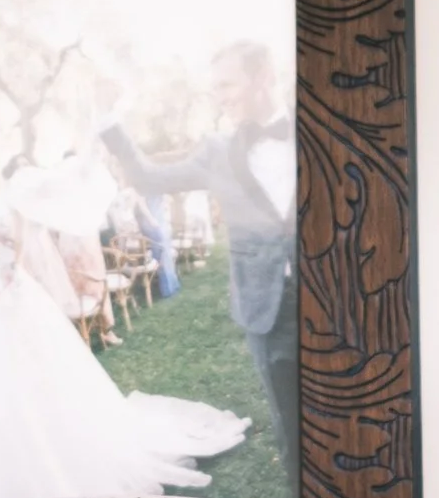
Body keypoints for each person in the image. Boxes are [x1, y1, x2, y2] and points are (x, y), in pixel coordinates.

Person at [0, 125, 246, 498]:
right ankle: (0, 482)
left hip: (16, 304)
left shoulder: (14, 191)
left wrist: (91, 146)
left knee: (38, 387)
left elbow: (64, 188)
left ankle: (56, 470)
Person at [102, 41, 298, 469]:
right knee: (292, 426)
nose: (220, 96)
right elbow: (147, 177)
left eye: (227, 84)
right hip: (268, 310)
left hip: (337, 300)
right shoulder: (217, 151)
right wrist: (109, 120)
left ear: (263, 75)